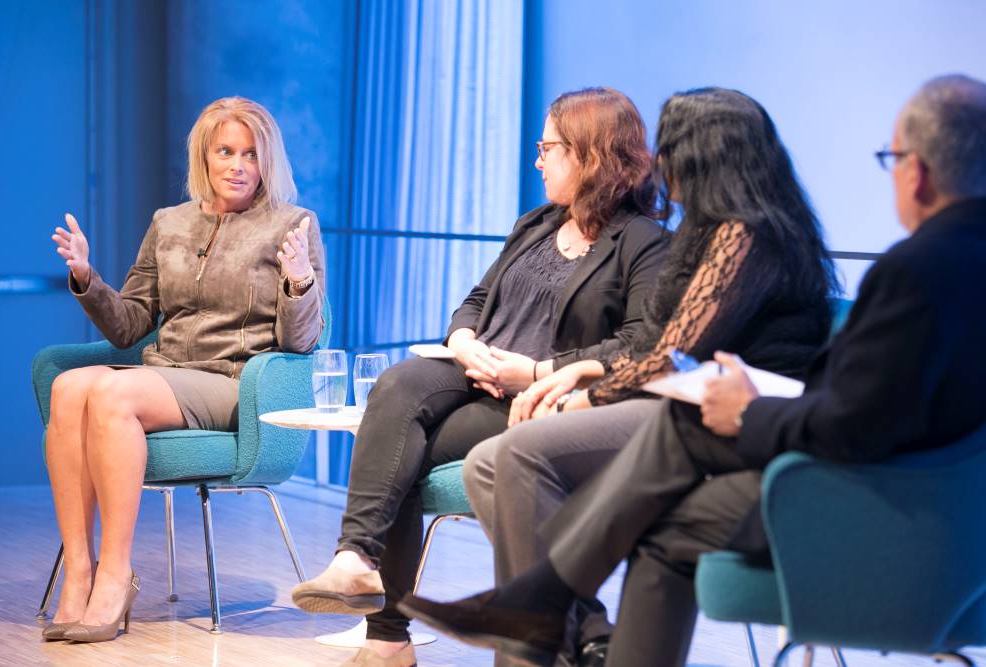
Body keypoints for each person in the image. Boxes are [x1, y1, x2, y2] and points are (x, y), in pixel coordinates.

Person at [398, 74, 986, 667]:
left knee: (598, 447)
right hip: (892, 481)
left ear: (920, 172)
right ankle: (546, 611)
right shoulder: (925, 261)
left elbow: (853, 418)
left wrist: (746, 413)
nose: (662, 171)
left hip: (860, 494)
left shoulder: (893, 264)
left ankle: (538, 610)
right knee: (642, 485)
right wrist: (584, 377)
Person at [290, 87, 670, 667]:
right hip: (475, 373)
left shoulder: (641, 243)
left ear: (590, 155)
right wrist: (463, 340)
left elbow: (642, 345)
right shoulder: (538, 222)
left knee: (399, 454)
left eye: (548, 148)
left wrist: (539, 371)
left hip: (541, 402)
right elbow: (478, 298)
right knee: (398, 383)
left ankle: (388, 638)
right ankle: (353, 561)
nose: (537, 159)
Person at [460, 86, 836, 667]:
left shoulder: (747, 234)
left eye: (673, 148)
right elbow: (658, 343)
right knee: (488, 462)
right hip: (676, 399)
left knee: (518, 453)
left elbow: (672, 355)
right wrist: (587, 367)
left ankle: (533, 635)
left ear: (705, 154)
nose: (659, 162)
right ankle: (576, 634)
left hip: (714, 417)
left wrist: (585, 397)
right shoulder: (709, 229)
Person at [43, 96, 326, 643]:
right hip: (165, 372)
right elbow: (129, 325)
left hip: (233, 382)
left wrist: (299, 282)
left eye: (250, 154)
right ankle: (79, 571)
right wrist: (85, 274)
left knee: (110, 394)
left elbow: (300, 342)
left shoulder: (292, 225)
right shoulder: (168, 223)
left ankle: (116, 575)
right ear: (206, 155)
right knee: (69, 385)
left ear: (268, 161)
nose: (238, 165)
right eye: (226, 151)